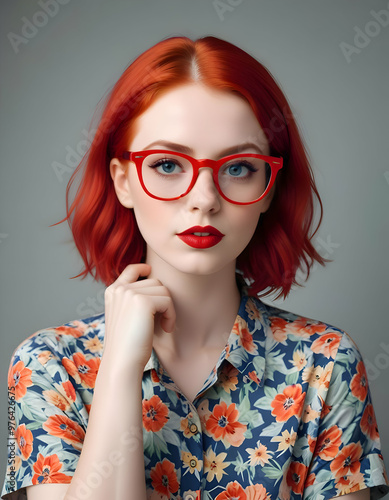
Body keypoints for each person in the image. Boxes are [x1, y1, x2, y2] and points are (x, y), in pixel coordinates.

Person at [1, 35, 388, 500]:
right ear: (124, 181)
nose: (204, 199)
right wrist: (120, 373)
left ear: (267, 188)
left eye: (239, 167)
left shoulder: (326, 364)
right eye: (167, 164)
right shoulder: (49, 365)